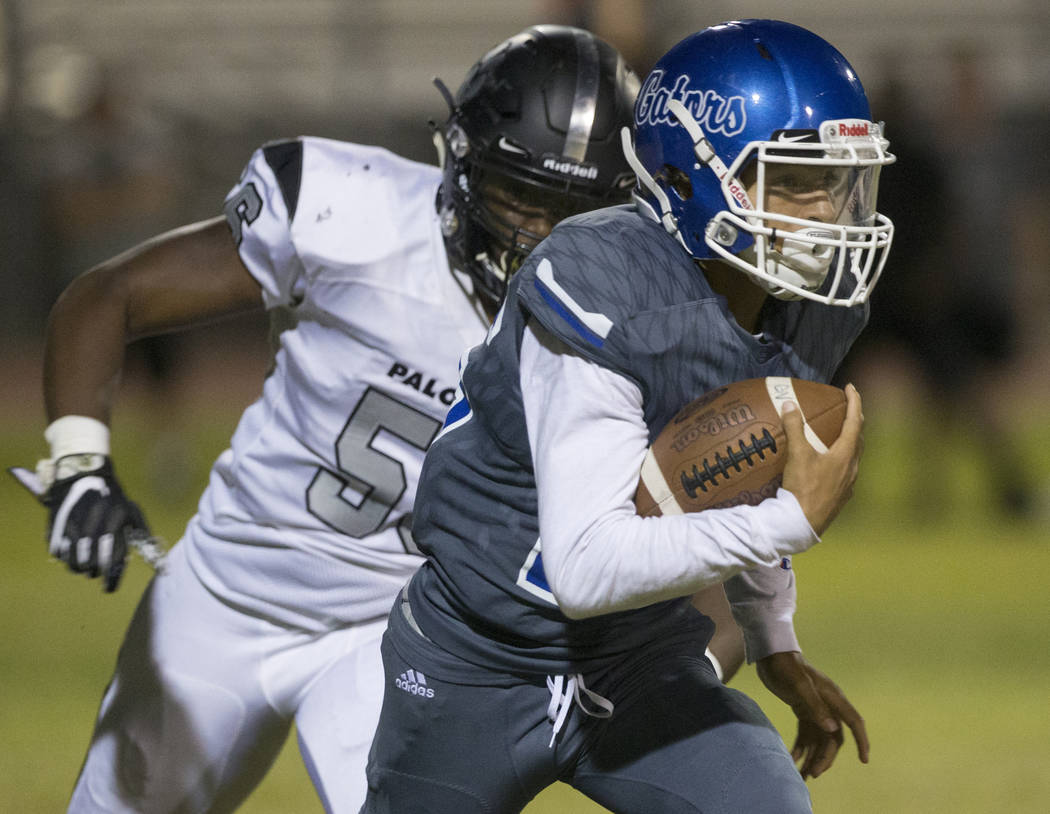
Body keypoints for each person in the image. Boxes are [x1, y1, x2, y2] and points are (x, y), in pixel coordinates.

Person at [18, 26, 646, 813]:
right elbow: (108, 296)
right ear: (460, 165)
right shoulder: (358, 215)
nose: (536, 240)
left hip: (401, 639)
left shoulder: (625, 318)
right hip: (225, 597)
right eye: (521, 198)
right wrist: (79, 463)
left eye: (572, 213)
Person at [362, 19, 893, 813]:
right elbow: (584, 567)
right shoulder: (602, 278)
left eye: (839, 183)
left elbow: (726, 473)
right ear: (690, 179)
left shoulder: (805, 306)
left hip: (640, 659)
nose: (829, 214)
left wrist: (774, 641)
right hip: (477, 658)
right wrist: (791, 522)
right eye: (793, 182)